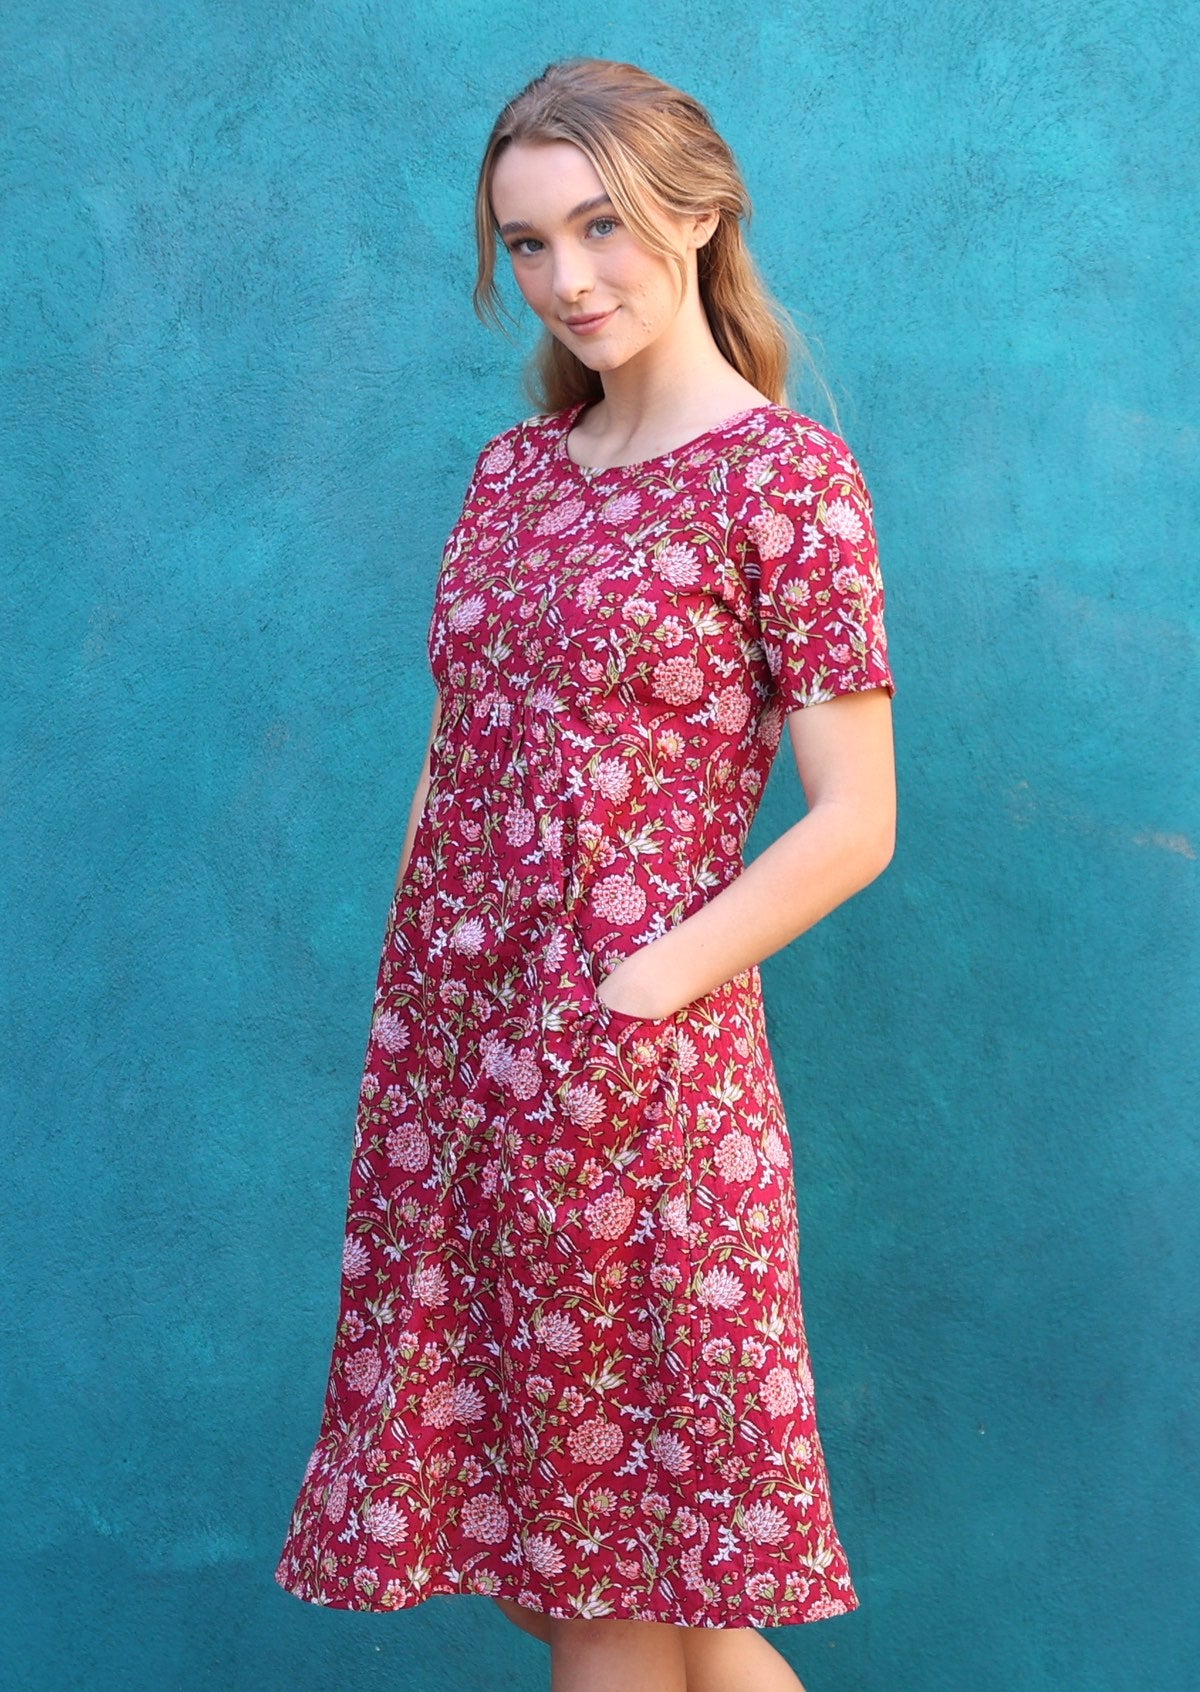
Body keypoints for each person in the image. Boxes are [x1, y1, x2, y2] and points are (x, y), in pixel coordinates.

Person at [275, 55, 898, 1692]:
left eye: (602, 226)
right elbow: (454, 749)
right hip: (458, 1061)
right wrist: (425, 1011)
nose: (569, 278)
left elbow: (855, 820)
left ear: (699, 213)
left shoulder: (788, 482)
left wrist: (635, 990)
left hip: (639, 1070)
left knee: (608, 1570)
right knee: (588, 1563)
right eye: (530, 244)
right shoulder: (511, 475)